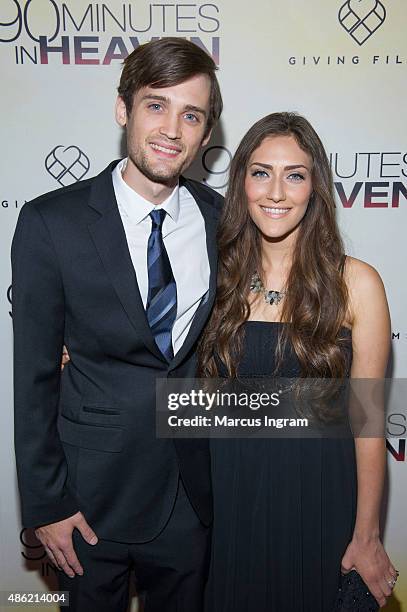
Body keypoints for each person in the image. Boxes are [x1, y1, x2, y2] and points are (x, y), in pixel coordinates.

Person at [11, 37, 223, 612]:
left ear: (207, 133)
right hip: (88, 497)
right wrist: (46, 506)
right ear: (122, 109)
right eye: (156, 105)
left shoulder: (223, 221)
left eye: (192, 114)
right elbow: (32, 379)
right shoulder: (50, 222)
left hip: (192, 492)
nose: (172, 129)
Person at [198, 112, 398, 611]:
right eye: (261, 172)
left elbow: (368, 423)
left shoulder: (357, 283)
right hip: (225, 500)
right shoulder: (209, 278)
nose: (276, 193)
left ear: (315, 188)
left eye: (295, 175)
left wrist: (367, 536)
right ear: (241, 179)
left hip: (319, 498)